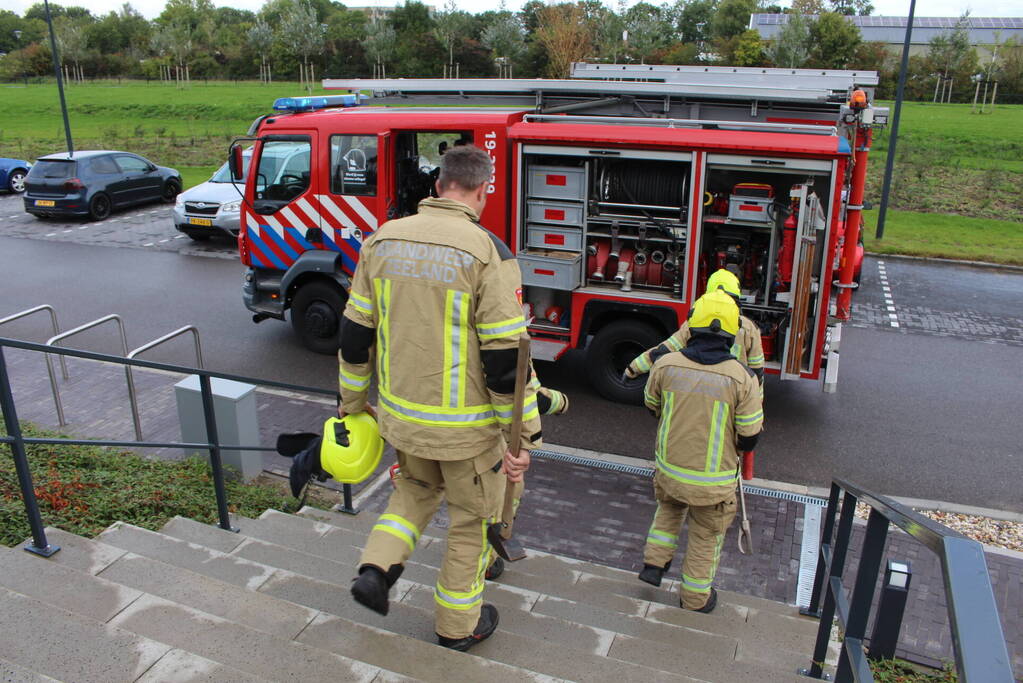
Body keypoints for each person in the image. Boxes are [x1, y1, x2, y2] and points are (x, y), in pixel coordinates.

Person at [340, 145, 542, 652]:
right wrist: (525, 436)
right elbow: (504, 363)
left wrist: (352, 402)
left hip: (403, 422)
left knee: (410, 498)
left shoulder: (382, 241)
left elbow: (353, 334)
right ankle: (458, 627)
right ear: (483, 191)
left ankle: (376, 570)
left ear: (437, 186)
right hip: (468, 435)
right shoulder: (488, 253)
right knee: (471, 524)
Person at [638, 289, 763, 613]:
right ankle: (695, 599)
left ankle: (653, 565)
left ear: (692, 325)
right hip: (714, 483)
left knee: (667, 512)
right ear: (733, 331)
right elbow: (750, 436)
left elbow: (652, 406)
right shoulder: (743, 379)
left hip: (670, 472)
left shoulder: (665, 365)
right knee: (706, 538)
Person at [625, 267, 765, 388]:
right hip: (732, 390)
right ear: (736, 295)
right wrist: (754, 402)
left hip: (697, 388)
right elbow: (757, 372)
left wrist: (633, 369)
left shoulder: (695, 322)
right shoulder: (749, 328)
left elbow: (665, 349)